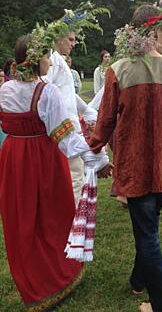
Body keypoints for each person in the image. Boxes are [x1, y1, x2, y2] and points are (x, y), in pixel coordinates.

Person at [89, 0, 162, 312]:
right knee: (149, 226)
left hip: (137, 166)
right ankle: (139, 281)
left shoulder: (120, 70)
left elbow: (105, 121)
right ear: (153, 31)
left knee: (147, 232)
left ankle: (161, 304)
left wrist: (92, 148)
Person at [0, 31, 109, 311]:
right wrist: (97, 160)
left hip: (13, 161)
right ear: (36, 60)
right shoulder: (46, 92)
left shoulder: (5, 90)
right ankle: (54, 279)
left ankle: (30, 281)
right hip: (44, 161)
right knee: (52, 217)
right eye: (47, 55)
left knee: (21, 219)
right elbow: (67, 137)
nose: (51, 60)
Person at [45, 2, 105, 206]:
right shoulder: (52, 60)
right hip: (65, 130)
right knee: (75, 180)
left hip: (69, 127)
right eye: (70, 39)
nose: (73, 43)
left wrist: (87, 110)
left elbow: (69, 94)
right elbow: (46, 93)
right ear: (59, 38)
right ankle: (72, 228)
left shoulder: (59, 60)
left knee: (76, 177)